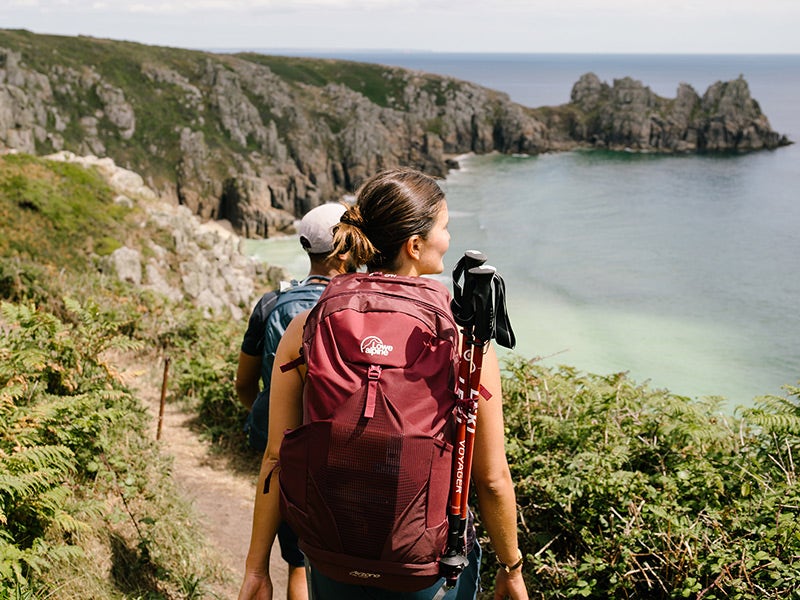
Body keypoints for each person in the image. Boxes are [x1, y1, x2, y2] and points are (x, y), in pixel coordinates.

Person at [238, 168, 529, 600]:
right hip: (426, 570)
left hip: (331, 558)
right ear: (415, 246)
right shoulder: (461, 339)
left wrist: (256, 569)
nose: (449, 239)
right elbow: (490, 478)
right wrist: (512, 567)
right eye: (444, 228)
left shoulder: (306, 327)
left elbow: (276, 457)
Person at [235, 202, 352, 600]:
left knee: (297, 563)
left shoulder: (272, 304)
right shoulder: (358, 307)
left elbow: (244, 385)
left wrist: (271, 422)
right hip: (341, 456)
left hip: (284, 453)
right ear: (348, 248)